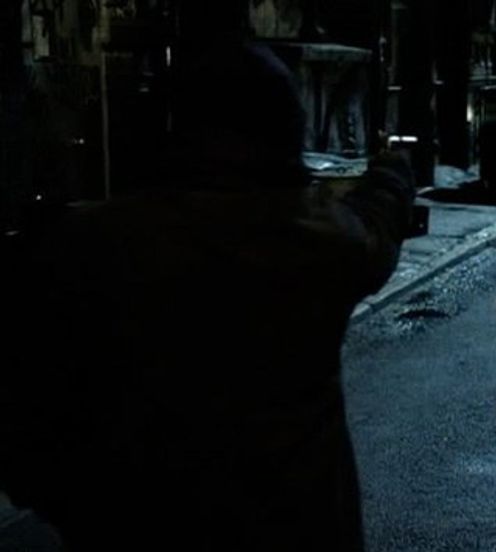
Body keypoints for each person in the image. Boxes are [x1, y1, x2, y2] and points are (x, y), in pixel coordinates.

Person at [0, 41, 415, 551]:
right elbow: (376, 225)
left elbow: (26, 410)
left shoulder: (94, 243)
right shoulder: (318, 241)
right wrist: (392, 172)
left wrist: (77, 505)